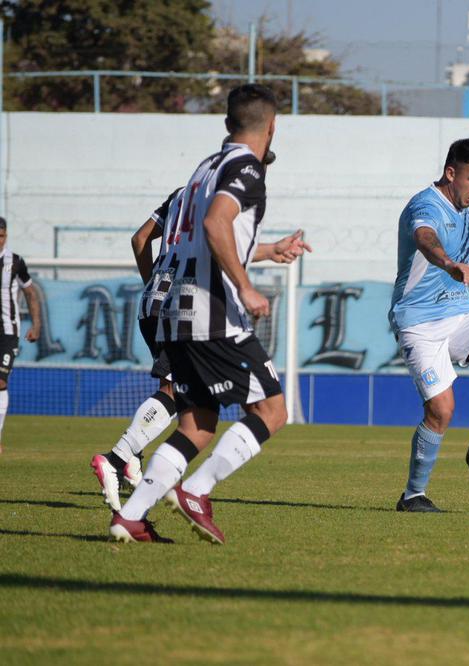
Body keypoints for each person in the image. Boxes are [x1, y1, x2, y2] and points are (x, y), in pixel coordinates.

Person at [109, 83, 296, 543]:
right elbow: (216, 226)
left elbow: (203, 238)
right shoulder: (247, 168)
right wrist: (248, 287)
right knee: (273, 410)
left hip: (171, 312)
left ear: (227, 123)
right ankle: (196, 489)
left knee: (198, 422)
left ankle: (130, 516)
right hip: (212, 315)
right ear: (272, 127)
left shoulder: (202, 169)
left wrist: (268, 251)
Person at [90, 157, 309, 511]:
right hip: (189, 304)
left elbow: (140, 238)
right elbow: (221, 243)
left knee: (181, 396)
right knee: (180, 393)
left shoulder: (181, 195)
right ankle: (118, 457)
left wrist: (153, 284)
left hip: (156, 301)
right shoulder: (224, 197)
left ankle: (131, 465)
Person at [388, 137, 469, 513]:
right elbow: (424, 238)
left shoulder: (463, 205)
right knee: (441, 411)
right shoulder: (425, 205)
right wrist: (447, 264)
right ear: (451, 173)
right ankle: (413, 495)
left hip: (458, 310)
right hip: (417, 320)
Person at [0, 217, 41, 455]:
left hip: (8, 331)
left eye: (2, 236)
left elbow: (31, 294)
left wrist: (36, 325)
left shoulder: (15, 262)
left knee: (1, 381)